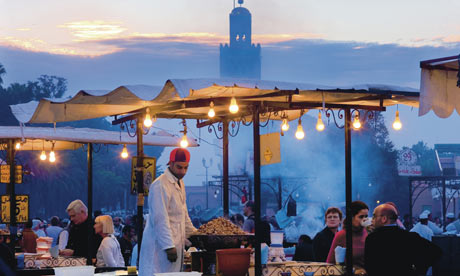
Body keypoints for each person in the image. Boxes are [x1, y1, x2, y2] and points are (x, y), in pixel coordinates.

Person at [139, 148, 197, 275]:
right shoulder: (160, 184)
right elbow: (160, 218)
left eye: (186, 168)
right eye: (179, 167)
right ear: (170, 163)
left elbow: (184, 215)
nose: (183, 171)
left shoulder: (180, 184)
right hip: (160, 248)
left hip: (175, 244)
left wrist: (195, 236)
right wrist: (168, 246)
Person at [365, 203, 442, 276]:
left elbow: (369, 266)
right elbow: (436, 252)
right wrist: (418, 269)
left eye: (374, 216)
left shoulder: (372, 239)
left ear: (384, 219)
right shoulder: (409, 237)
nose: (372, 220)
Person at [326, 201, 369, 271]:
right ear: (352, 217)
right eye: (361, 217)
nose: (364, 219)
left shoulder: (367, 232)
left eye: (366, 216)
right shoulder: (342, 235)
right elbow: (330, 262)